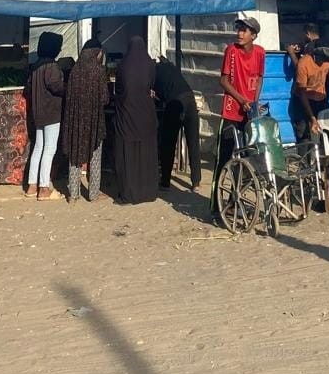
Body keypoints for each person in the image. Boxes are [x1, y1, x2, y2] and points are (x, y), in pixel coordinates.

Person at [210, 17, 265, 221]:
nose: (240, 33)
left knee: (248, 159)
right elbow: (223, 80)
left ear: (254, 35)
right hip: (231, 111)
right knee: (224, 157)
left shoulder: (260, 52)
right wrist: (242, 99)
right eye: (239, 30)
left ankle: (236, 201)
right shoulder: (231, 51)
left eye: (244, 30)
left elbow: (259, 78)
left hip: (250, 113)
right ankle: (216, 206)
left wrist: (254, 102)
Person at [111, 36, 159, 204]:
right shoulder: (150, 65)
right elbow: (151, 84)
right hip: (146, 114)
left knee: (128, 155)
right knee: (146, 153)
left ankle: (129, 193)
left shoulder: (123, 65)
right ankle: (148, 192)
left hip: (127, 114)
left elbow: (118, 90)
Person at [61, 39, 108, 203]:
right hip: (94, 120)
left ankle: (73, 193)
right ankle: (93, 193)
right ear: (96, 52)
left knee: (75, 153)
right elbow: (104, 98)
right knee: (95, 154)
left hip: (76, 119)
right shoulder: (99, 70)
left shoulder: (75, 70)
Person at [24, 32, 66, 200]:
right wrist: (67, 88)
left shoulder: (35, 66)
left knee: (38, 147)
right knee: (49, 149)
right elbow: (56, 86)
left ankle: (31, 186)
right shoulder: (52, 67)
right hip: (51, 112)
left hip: (37, 112)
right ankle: (44, 188)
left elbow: (28, 88)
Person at [154, 57, 201, 191]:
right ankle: (196, 182)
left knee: (168, 143)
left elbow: (160, 97)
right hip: (190, 100)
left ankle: (165, 182)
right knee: (193, 142)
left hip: (174, 103)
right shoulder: (172, 68)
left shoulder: (154, 74)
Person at [290, 42, 329, 143]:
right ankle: (305, 153)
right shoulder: (303, 63)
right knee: (303, 133)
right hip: (303, 100)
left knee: (328, 131)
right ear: (315, 54)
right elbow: (302, 93)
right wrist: (312, 118)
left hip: (321, 98)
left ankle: (327, 152)